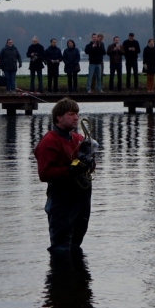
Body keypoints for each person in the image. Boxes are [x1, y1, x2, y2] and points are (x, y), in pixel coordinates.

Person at [33, 98, 95, 254]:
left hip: (81, 199)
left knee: (75, 246)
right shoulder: (49, 141)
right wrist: (71, 169)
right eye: (71, 114)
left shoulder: (78, 139)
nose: (76, 118)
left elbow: (91, 168)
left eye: (77, 114)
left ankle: (77, 278)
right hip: (61, 201)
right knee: (60, 248)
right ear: (59, 118)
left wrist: (89, 162)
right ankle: (59, 276)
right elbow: (44, 174)